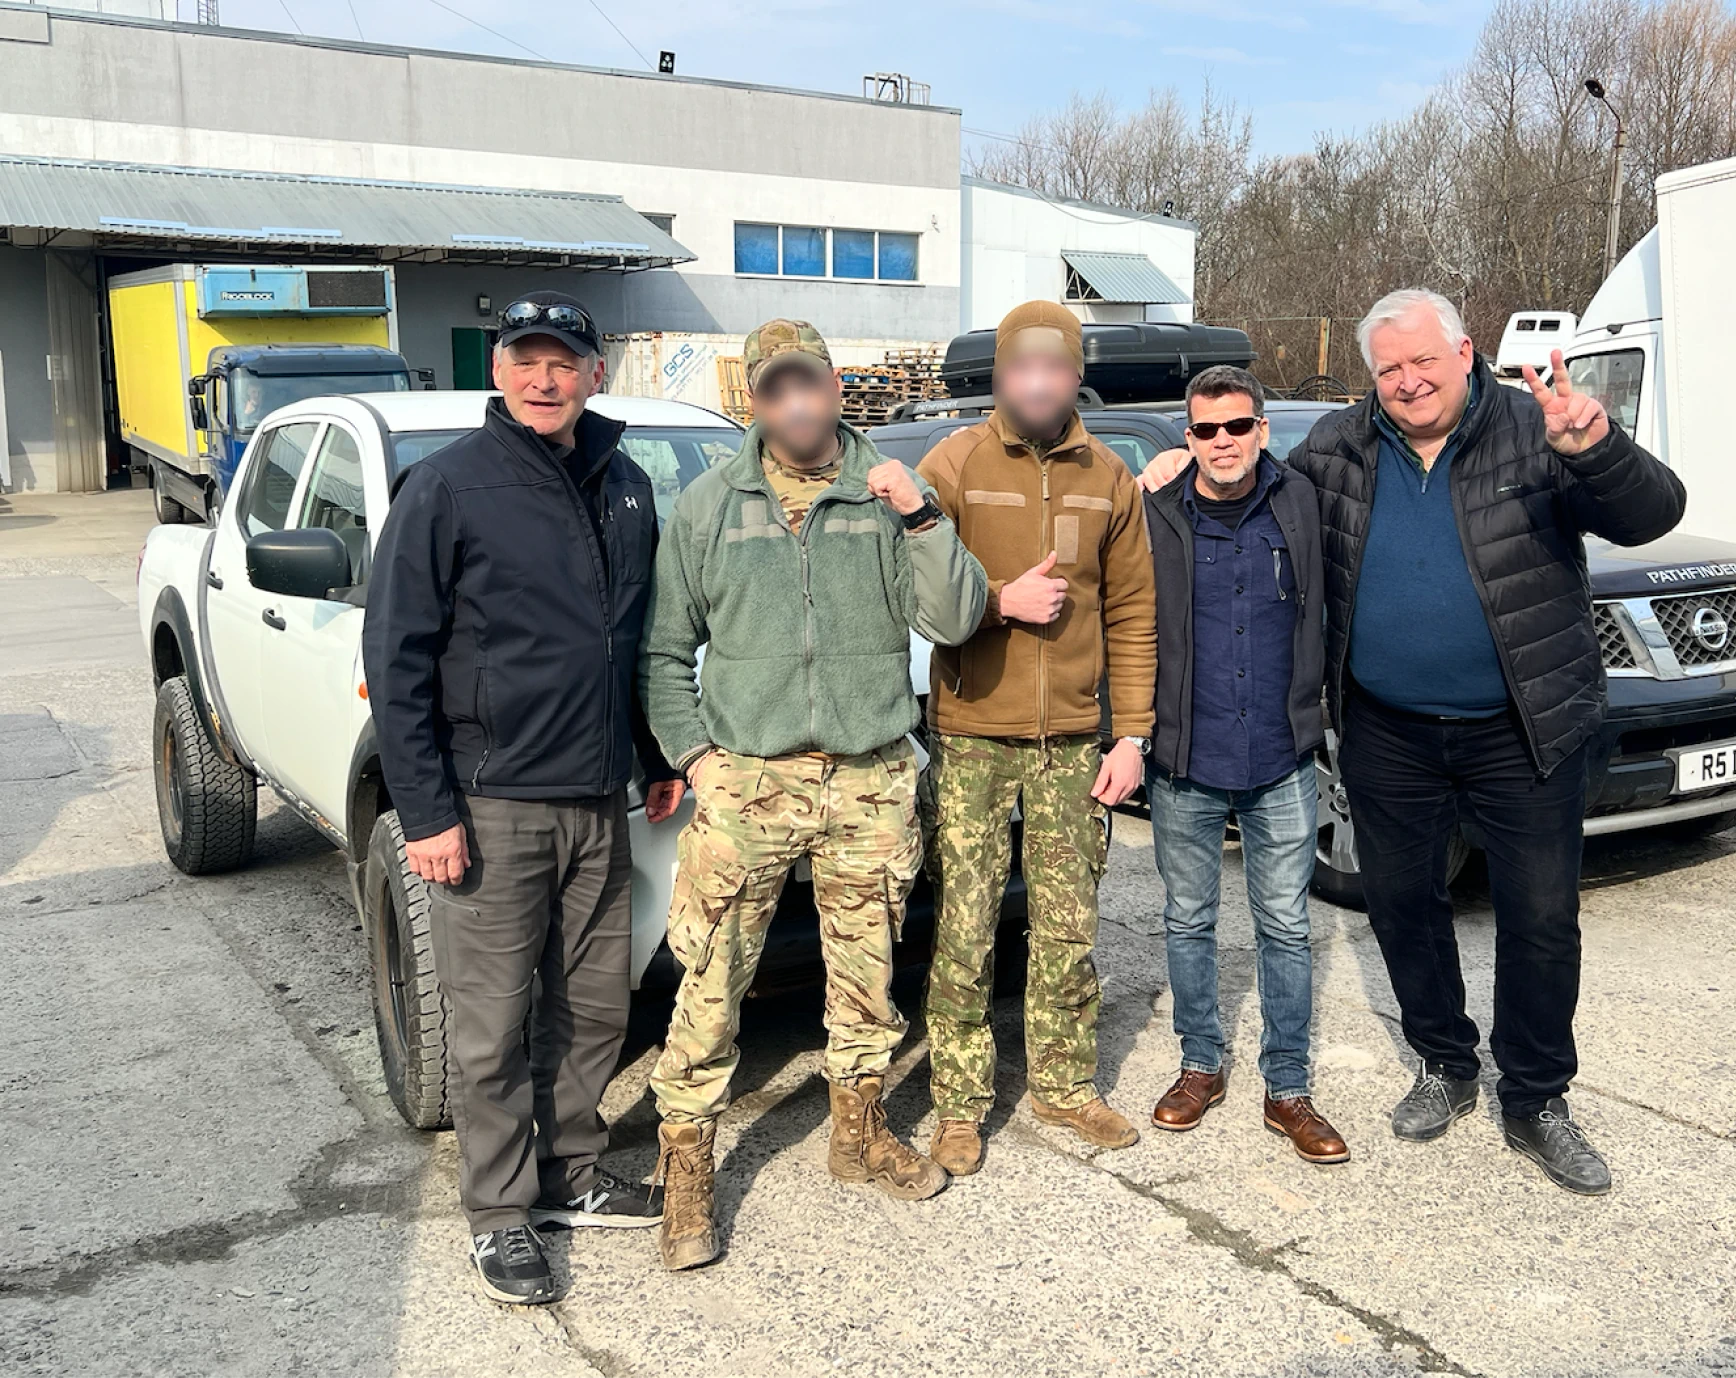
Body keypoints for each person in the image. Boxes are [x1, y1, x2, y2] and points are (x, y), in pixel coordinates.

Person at [1141, 289, 1684, 1194]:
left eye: (1423, 360)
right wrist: (1177, 475)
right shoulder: (1340, 448)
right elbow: (1249, 485)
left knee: (1542, 919)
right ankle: (1445, 1063)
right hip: (1388, 729)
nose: (1407, 381)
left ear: (1466, 352)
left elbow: (1651, 514)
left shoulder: (1535, 428)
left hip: (1523, 726)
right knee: (1402, 905)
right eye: (1389, 368)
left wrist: (1599, 447)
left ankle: (1538, 1097)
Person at [641, 319, 988, 1270]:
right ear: (753, 401)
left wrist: (919, 515)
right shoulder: (711, 506)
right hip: (750, 782)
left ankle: (860, 1129)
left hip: (871, 777)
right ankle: (686, 1163)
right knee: (711, 977)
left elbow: (958, 615)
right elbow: (663, 653)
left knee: (867, 974)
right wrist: (699, 759)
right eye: (773, 388)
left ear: (837, 387)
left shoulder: (885, 495)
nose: (795, 402)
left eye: (810, 383)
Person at [364, 291, 683, 1305]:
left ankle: (572, 1174)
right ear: (497, 370)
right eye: (525, 359)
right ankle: (500, 1211)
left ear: (596, 372)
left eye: (564, 361)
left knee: (594, 1005)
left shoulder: (625, 483)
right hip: (491, 799)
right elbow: (397, 656)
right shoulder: (445, 488)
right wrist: (426, 812)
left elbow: (623, 644)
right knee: (494, 1020)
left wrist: (652, 754)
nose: (545, 378)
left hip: (598, 798)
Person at [916, 300, 1158, 1175]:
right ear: (1002, 374)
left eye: (1056, 368)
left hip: (1072, 745)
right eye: (1024, 368)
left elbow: (1133, 614)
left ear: (1074, 374)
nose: (1039, 383)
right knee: (967, 922)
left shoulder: (1108, 477)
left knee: (1068, 924)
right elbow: (913, 595)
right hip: (974, 735)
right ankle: (959, 1102)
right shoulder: (954, 464)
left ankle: (1062, 1083)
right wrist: (996, 602)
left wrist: (1131, 735)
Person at [1141, 366, 1347, 1165]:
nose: (1222, 443)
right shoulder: (1155, 510)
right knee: (1189, 920)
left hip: (1281, 755)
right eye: (1205, 430)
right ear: (1186, 437)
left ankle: (1288, 1086)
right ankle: (1201, 1065)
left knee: (1286, 926)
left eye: (1237, 427)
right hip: (1185, 755)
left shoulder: (1302, 501)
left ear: (1262, 429)